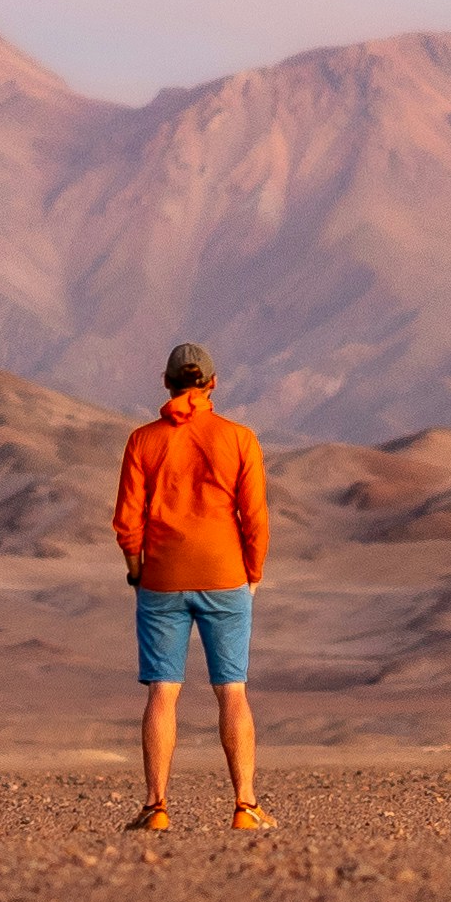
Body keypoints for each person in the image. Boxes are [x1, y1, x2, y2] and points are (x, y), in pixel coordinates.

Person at [112, 340, 271, 832]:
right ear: (213, 385)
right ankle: (245, 807)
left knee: (163, 691)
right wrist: (253, 573)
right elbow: (256, 518)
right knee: (233, 692)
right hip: (226, 576)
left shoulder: (143, 441)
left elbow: (126, 520)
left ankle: (155, 807)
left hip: (161, 577)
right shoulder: (240, 438)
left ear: (166, 383)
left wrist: (136, 569)